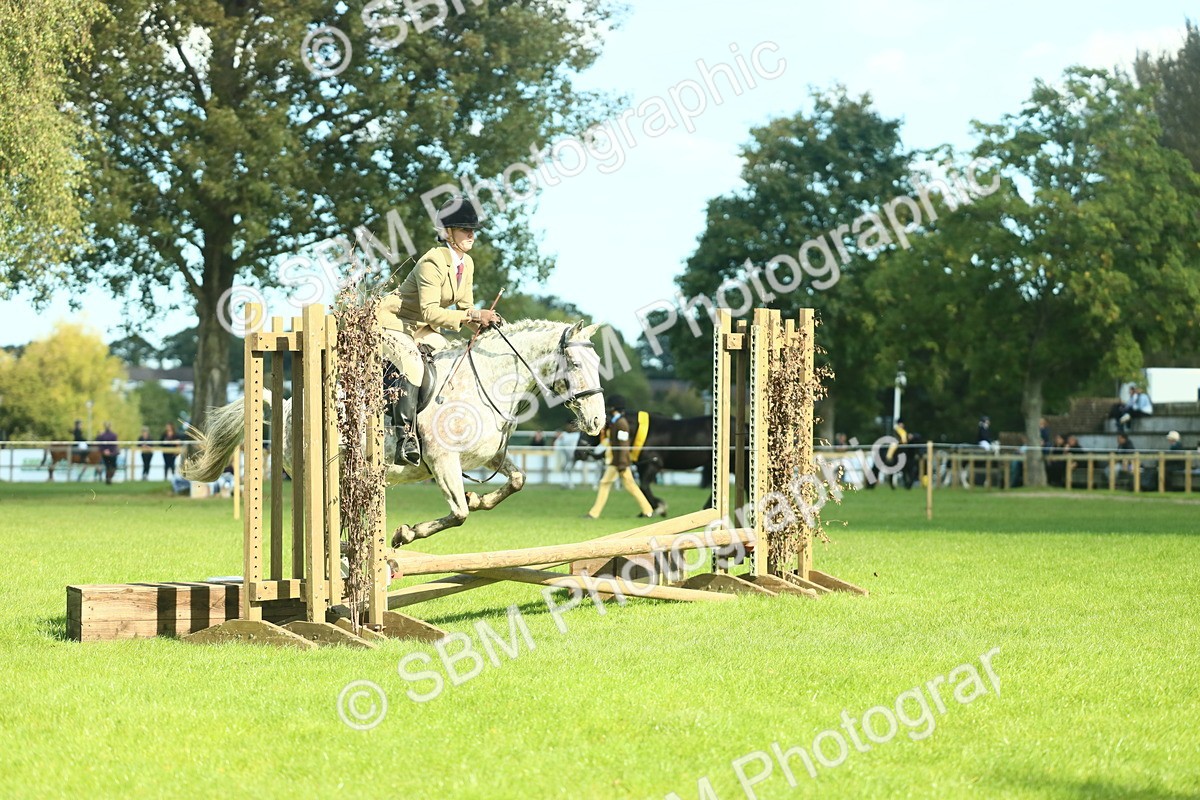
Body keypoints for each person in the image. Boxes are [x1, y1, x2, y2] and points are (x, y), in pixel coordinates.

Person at [376, 196, 501, 465]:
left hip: (419, 326)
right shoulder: (431, 262)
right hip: (393, 322)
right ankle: (405, 437)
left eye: (472, 230)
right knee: (413, 364)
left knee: (448, 359)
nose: (471, 235)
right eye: (464, 229)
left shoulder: (466, 264)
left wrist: (485, 324)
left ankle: (439, 430)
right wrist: (474, 315)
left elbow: (465, 308)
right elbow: (432, 311)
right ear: (447, 232)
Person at [585, 395, 655, 519]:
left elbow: (623, 445)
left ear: (613, 408)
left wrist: (622, 463)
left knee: (625, 485)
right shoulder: (616, 422)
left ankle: (648, 510)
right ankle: (594, 513)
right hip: (616, 461)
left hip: (619, 462)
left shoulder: (621, 423)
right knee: (609, 483)